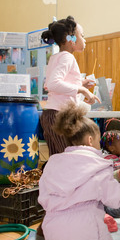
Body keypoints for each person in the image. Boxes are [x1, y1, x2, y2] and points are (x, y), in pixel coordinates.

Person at [20, 102, 120, 240]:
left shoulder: (52, 163)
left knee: (68, 234)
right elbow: (115, 199)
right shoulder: (99, 165)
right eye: (99, 142)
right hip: (81, 234)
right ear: (90, 140)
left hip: (52, 232)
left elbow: (44, 199)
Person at [40, 15, 100, 157]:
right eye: (82, 36)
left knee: (56, 158)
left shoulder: (56, 57)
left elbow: (52, 84)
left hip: (51, 114)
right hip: (60, 116)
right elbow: (53, 84)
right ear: (71, 38)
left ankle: (52, 179)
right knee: (68, 158)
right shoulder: (68, 57)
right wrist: (83, 89)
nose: (84, 40)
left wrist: (81, 83)